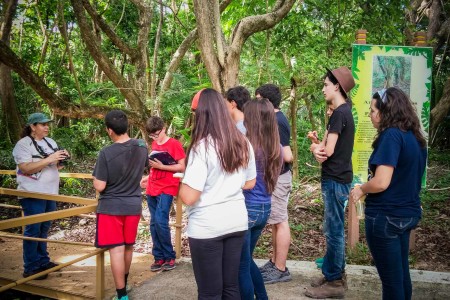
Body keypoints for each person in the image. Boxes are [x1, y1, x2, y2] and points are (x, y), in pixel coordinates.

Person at [178, 88, 256, 299]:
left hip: (207, 227)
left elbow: (189, 197)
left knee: (210, 292)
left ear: (201, 115)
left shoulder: (201, 148)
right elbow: (250, 182)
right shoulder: (243, 142)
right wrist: (226, 186)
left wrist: (180, 182)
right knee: (231, 287)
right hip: (236, 221)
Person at [350, 87, 427, 300]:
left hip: (386, 217)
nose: (370, 115)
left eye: (373, 110)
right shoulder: (415, 137)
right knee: (401, 277)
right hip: (407, 214)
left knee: (392, 283)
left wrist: (361, 189)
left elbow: (382, 182)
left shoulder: (391, 135)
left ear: (386, 112)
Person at [305, 66, 355, 299]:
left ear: (337, 86)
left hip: (335, 181)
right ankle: (333, 274)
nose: (323, 88)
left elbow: (328, 151)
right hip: (338, 179)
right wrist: (319, 146)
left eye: (326, 84)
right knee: (333, 229)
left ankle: (334, 281)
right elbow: (326, 148)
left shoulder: (339, 113)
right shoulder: (342, 112)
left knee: (334, 231)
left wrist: (316, 148)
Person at [93, 110, 148, 300]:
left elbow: (100, 186)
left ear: (109, 131)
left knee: (116, 250)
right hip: (133, 205)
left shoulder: (106, 153)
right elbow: (144, 170)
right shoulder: (141, 145)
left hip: (111, 208)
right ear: (127, 126)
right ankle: (125, 284)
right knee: (128, 247)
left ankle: (122, 295)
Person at [12, 112, 69, 280]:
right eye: (42, 124)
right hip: (32, 193)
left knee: (44, 228)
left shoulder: (49, 142)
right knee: (33, 229)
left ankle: (43, 261)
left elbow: (54, 166)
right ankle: (30, 266)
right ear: (32, 127)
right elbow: (26, 168)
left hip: (50, 192)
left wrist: (61, 159)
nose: (46, 127)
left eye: (47, 124)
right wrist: (49, 159)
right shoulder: (23, 145)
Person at [238, 98, 282, 299]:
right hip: (264, 208)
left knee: (240, 265)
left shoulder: (248, 147)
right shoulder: (275, 147)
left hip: (248, 208)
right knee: (246, 259)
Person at [255, 84, 294, 284]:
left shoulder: (277, 121)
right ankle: (274, 262)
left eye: (259, 99)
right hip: (275, 178)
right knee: (275, 222)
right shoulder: (274, 119)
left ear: (267, 102)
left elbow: (287, 155)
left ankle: (280, 268)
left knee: (280, 221)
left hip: (280, 178)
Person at [139, 116, 185, 272]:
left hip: (167, 187)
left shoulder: (174, 144)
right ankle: (158, 257)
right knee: (153, 223)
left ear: (164, 129)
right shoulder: (154, 143)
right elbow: (154, 166)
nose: (155, 137)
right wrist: (147, 177)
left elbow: (182, 167)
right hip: (153, 186)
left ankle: (169, 256)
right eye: (152, 135)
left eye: (156, 134)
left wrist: (163, 167)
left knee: (160, 221)